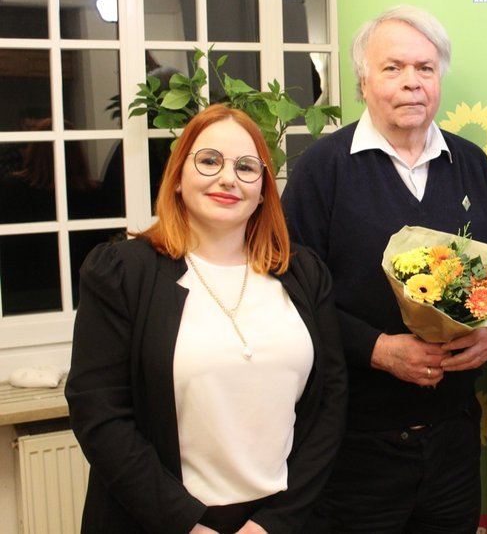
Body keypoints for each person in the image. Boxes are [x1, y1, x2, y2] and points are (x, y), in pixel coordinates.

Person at [282, 5, 487, 532]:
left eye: (425, 68)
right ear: (364, 82)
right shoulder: (322, 169)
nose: (412, 82)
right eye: (393, 68)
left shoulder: (471, 163)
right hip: (355, 446)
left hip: (454, 438)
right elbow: (293, 297)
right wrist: (378, 350)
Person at [66, 104, 348, 534]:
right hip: (159, 522)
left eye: (246, 167)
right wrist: (188, 526)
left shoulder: (305, 274)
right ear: (178, 177)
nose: (228, 178)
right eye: (210, 161)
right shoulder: (122, 273)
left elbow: (331, 401)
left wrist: (274, 523)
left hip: (279, 522)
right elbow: (99, 413)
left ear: (263, 190)